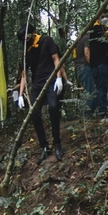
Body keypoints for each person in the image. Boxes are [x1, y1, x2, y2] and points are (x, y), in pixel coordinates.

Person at [17, 22, 68, 162]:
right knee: (34, 113)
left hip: (51, 80)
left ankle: (57, 143)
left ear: (33, 33)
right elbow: (24, 74)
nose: (26, 41)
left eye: (27, 37)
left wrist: (58, 78)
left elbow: (56, 59)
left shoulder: (46, 41)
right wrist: (20, 95)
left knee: (53, 107)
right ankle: (44, 147)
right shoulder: (26, 51)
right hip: (37, 85)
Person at [73, 31, 93, 116]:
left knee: (87, 90)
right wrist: (92, 65)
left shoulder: (79, 41)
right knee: (89, 91)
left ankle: (88, 113)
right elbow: (86, 53)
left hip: (79, 68)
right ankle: (87, 115)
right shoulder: (87, 38)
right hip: (85, 67)